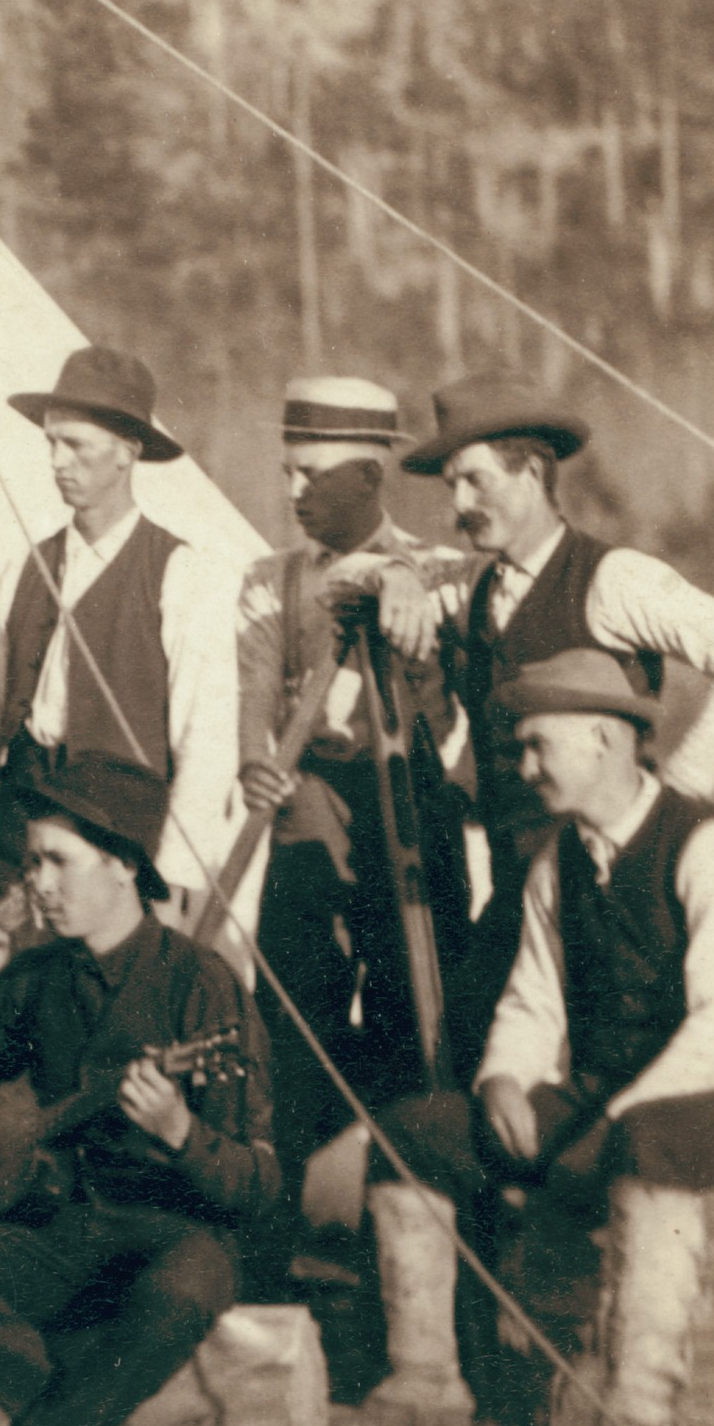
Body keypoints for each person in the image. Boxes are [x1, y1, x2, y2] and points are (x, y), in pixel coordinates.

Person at [334, 650, 714, 1426]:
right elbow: (535, 996)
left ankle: (638, 1409)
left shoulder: (712, 851)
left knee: (645, 1142)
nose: (522, 766)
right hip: (602, 1093)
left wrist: (607, 1121)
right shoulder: (559, 861)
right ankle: (425, 1380)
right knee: (415, 1135)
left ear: (607, 742)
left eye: (538, 746)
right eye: (519, 748)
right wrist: (504, 1081)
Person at [0, 751, 278, 1426]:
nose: (38, 885)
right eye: (31, 863)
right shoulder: (35, 978)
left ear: (125, 863)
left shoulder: (202, 984)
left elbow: (256, 1183)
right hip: (63, 1232)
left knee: (193, 1277)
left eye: (58, 861)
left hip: (170, 1239)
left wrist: (180, 1130)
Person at [408, 372, 714, 1055]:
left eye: (474, 481)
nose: (458, 506)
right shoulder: (472, 587)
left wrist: (679, 791)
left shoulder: (615, 580)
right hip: (518, 894)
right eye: (450, 488)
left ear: (530, 473)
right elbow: (377, 573)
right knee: (475, 1056)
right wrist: (391, 576)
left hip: (612, 893)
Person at [231, 377, 471, 1181]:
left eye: (314, 473)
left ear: (370, 476)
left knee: (419, 1008)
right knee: (293, 1010)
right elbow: (257, 686)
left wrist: (395, 578)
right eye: (288, 470)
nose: (293, 490)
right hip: (313, 794)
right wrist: (253, 762)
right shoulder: (271, 578)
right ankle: (284, 1212)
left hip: (413, 806)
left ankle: (404, 1204)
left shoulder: (446, 573)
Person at [0, 345, 243, 922]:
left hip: (118, 849)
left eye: (75, 444)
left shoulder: (180, 574)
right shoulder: (22, 569)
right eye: (50, 442)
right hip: (18, 834)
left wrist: (171, 878)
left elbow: (207, 739)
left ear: (127, 452)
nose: (57, 460)